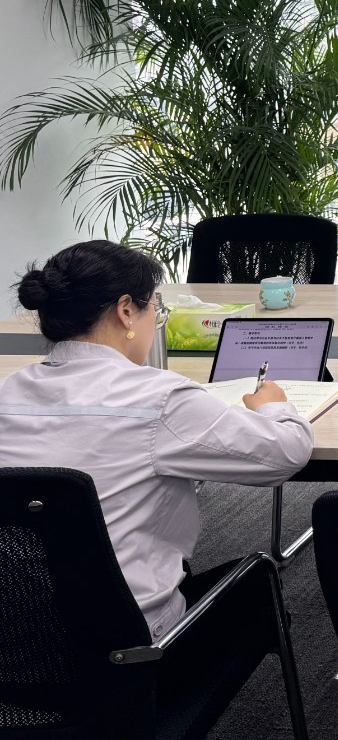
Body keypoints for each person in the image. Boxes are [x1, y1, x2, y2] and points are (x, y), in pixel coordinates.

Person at [0, 239, 313, 642]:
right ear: (126, 310)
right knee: (259, 585)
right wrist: (273, 406)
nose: (155, 319)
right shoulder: (159, 400)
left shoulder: (7, 392)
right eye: (155, 307)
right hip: (132, 644)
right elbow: (287, 453)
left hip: (18, 640)